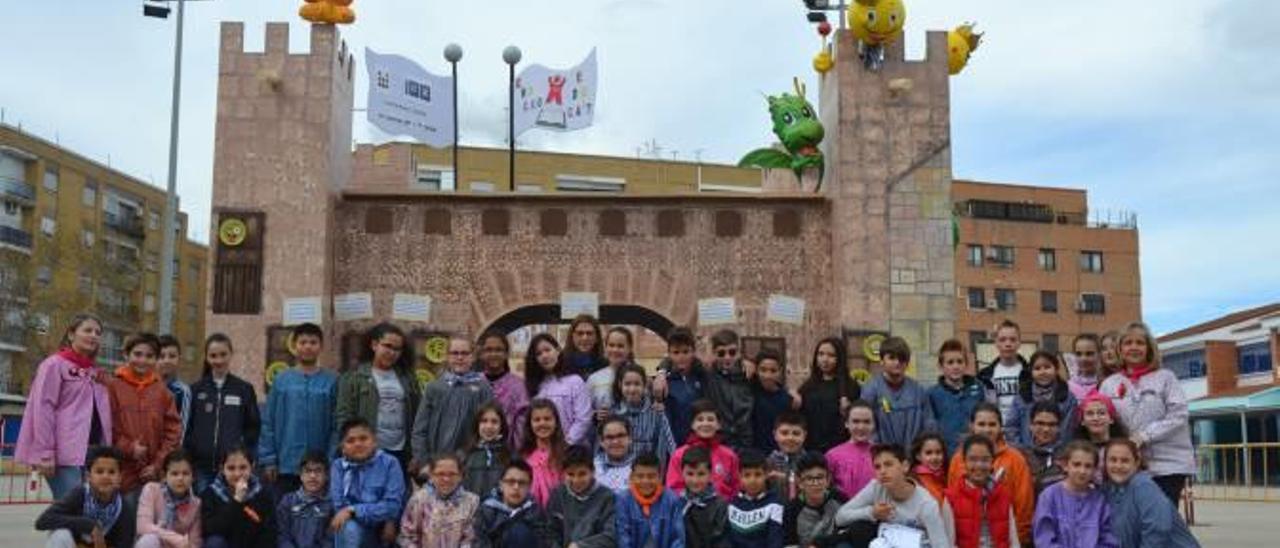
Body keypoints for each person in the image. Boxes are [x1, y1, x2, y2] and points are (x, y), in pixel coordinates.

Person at [16, 314, 113, 500]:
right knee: (72, 513)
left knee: (83, 514)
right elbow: (43, 409)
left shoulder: (96, 373)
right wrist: (45, 453)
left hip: (93, 453)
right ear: (71, 334)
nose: (94, 335)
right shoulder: (54, 364)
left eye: (98, 332)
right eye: (87, 330)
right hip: (63, 455)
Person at [1099, 321, 1195, 507]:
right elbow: (1104, 419)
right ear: (1119, 349)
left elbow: (1178, 414)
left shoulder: (1166, 378)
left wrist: (1144, 436)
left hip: (1168, 465)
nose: (1133, 347)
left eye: (1139, 343)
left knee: (1161, 520)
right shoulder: (1109, 384)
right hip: (1126, 466)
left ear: (1149, 348)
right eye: (1128, 343)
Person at [260, 322, 338, 495]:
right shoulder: (281, 380)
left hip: (319, 466)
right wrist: (269, 459)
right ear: (294, 346)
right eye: (303, 342)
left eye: (313, 342)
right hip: (286, 464)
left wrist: (331, 459)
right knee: (284, 513)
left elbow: (336, 425)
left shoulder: (332, 381)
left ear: (321, 346)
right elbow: (268, 422)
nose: (308, 347)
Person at [336, 322, 422, 475]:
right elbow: (344, 415)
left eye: (397, 349)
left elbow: (418, 416)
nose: (392, 352)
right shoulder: (354, 377)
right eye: (387, 346)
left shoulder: (407, 378)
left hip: (400, 450)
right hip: (367, 450)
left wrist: (416, 452)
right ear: (374, 345)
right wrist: (349, 446)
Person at [946, 402, 1035, 546]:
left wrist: (1016, 540)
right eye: (981, 424)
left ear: (1000, 427)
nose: (987, 429)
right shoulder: (958, 459)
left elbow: (1024, 506)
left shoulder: (1015, 459)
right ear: (972, 426)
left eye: (992, 424)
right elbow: (952, 505)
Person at [835, 444, 951, 548]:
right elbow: (840, 517)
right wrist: (872, 513)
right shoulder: (876, 487)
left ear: (905, 466)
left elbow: (941, 544)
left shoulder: (927, 504)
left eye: (888, 464)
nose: (883, 471)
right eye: (877, 467)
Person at [108, 332, 182, 495]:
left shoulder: (162, 391)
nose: (142, 360)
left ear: (156, 359)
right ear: (126, 354)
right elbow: (108, 426)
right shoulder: (113, 386)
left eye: (149, 356)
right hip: (121, 469)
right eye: (137, 354)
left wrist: (158, 464)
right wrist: (129, 448)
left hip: (151, 472)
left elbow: (173, 431)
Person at [186, 334, 261, 493]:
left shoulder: (244, 389)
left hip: (233, 469)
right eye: (213, 355)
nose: (218, 360)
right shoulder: (195, 390)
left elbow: (253, 427)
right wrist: (193, 452)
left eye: (223, 354)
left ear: (231, 354)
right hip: (202, 468)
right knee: (205, 511)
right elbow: (188, 427)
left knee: (232, 509)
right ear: (206, 357)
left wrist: (240, 450)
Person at [1100, 438, 1200, 548]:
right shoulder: (1107, 491)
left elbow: (1158, 529)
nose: (1118, 466)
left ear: (1136, 463)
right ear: (1105, 462)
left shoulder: (1142, 485)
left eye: (1125, 461)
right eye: (1113, 460)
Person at [413, 336, 494, 467]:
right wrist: (423, 461)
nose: (459, 357)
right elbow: (420, 429)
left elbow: (489, 427)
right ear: (447, 356)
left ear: (472, 357)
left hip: (470, 463)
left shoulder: (483, 388)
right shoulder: (434, 388)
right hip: (436, 462)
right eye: (455, 353)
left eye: (464, 353)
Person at [35, 446, 136, 548]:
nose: (106, 476)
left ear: (119, 478)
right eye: (99, 471)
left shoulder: (124, 507)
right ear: (88, 477)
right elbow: (42, 521)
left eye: (112, 472)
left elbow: (126, 543)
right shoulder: (79, 495)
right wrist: (88, 525)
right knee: (60, 535)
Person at [329, 418, 405, 548]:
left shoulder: (390, 463)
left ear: (374, 442)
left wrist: (353, 510)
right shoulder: (338, 466)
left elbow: (392, 506)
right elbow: (339, 506)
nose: (358, 444)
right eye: (350, 441)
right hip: (352, 529)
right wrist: (355, 512)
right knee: (348, 528)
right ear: (343, 447)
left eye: (363, 438)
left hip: (382, 531)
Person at [1033, 440, 1118, 548]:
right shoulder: (1049, 497)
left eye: (1088, 466)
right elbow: (1044, 539)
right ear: (1065, 466)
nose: (1082, 471)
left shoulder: (1099, 501)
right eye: (1076, 465)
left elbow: (1108, 539)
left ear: (1095, 469)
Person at [944, 435, 1020, 548]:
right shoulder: (951, 497)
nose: (979, 465)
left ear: (992, 461)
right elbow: (948, 542)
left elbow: (1013, 539)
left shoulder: (1003, 494)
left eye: (985, 460)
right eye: (973, 459)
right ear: (964, 461)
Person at [859, 336, 935, 449]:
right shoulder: (871, 390)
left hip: (913, 457)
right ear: (882, 361)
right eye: (892, 358)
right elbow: (866, 426)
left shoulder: (918, 391)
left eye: (902, 359)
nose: (897, 362)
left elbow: (928, 425)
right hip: (881, 457)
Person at [525, 333, 594, 447]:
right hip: (544, 450)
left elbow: (584, 418)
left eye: (547, 350)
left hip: (573, 450)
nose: (544, 356)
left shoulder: (574, 381)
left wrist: (566, 443)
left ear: (557, 350)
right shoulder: (535, 387)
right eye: (539, 354)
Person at [201, 444, 276, 548]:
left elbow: (269, 532)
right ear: (222, 469)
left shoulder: (262, 494)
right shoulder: (210, 494)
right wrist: (237, 501)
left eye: (243, 467)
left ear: (252, 467)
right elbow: (211, 529)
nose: (237, 474)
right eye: (231, 468)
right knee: (214, 542)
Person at [399, 453, 479, 547]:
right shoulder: (419, 500)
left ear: (460, 476)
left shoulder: (472, 502)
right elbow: (407, 536)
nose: (446, 479)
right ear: (431, 476)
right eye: (440, 474)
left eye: (452, 474)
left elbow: (471, 539)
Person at [667, 399, 740, 500]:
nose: (705, 424)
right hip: (689, 509)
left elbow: (736, 488)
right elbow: (673, 488)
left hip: (723, 511)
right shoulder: (679, 455)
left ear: (719, 425)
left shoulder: (729, 456)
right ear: (692, 424)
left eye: (710, 419)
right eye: (700, 419)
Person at [546, 445, 617, 548]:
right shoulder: (557, 494)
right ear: (563, 473)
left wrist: (581, 546)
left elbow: (611, 535)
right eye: (570, 474)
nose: (576, 480)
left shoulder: (607, 497)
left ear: (592, 472)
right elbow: (549, 531)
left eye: (582, 474)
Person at [927, 338, 989, 454]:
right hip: (946, 453)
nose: (956, 366)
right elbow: (931, 427)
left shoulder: (978, 388)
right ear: (941, 366)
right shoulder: (933, 394)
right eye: (950, 362)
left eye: (960, 362)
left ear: (966, 364)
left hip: (974, 451)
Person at [473, 460, 554, 548]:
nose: (516, 487)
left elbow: (545, 543)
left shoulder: (536, 512)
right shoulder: (486, 510)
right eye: (511, 482)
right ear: (501, 484)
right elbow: (479, 541)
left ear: (529, 486)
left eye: (522, 483)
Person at [799, 337, 859, 453]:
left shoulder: (850, 387)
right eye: (821, 354)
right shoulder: (808, 386)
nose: (824, 359)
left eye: (831, 355)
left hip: (839, 449)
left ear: (840, 358)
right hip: (811, 449)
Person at [1006, 350, 1077, 447]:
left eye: (1047, 367)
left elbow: (1067, 431)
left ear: (1056, 369)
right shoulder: (1022, 397)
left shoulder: (1068, 398)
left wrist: (1054, 451)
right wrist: (1022, 450)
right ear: (1031, 372)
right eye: (1037, 368)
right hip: (1026, 453)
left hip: (1058, 454)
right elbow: (1011, 427)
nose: (1043, 372)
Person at [612, 363, 677, 468]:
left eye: (637, 384)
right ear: (620, 385)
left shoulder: (656, 412)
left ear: (644, 385)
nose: (632, 389)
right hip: (620, 472)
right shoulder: (614, 413)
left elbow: (669, 442)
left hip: (649, 473)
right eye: (627, 384)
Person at [616, 453, 685, 548]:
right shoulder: (623, 500)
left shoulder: (671, 499)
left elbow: (678, 539)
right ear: (632, 477)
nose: (645, 481)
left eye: (651, 476)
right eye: (640, 476)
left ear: (660, 477)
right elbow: (623, 538)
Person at [135, 450, 202, 548]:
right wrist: (176, 538)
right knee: (149, 540)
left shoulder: (196, 504)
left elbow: (195, 542)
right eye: (174, 474)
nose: (180, 478)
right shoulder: (151, 490)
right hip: (155, 545)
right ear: (164, 476)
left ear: (193, 477)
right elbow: (143, 527)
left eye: (186, 473)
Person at [703, 329, 756, 451]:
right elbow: (677, 360)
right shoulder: (709, 375)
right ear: (714, 354)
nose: (727, 357)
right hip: (720, 441)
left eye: (732, 352)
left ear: (739, 352)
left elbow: (771, 380)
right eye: (721, 353)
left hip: (746, 441)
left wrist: (790, 392)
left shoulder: (749, 374)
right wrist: (661, 372)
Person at [977, 320, 1031, 438]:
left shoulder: (1030, 373)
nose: (1008, 344)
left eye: (1012, 339)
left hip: (1023, 433)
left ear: (1019, 343)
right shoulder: (984, 376)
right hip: (994, 433)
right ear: (996, 343)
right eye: (1003, 340)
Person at [477, 331, 530, 447]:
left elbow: (522, 423)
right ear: (481, 354)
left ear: (506, 354)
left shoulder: (518, 386)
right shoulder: (474, 383)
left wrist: (515, 453)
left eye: (498, 350)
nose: (494, 354)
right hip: (475, 450)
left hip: (506, 452)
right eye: (489, 350)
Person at [654, 326, 707, 444]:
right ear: (669, 354)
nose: (681, 357)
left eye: (686, 351)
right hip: (673, 446)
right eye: (676, 352)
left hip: (701, 444)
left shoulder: (703, 377)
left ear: (693, 351)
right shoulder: (663, 382)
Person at [783, 452, 846, 548]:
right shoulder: (791, 509)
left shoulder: (839, 498)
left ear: (828, 479)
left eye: (820, 477)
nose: (815, 483)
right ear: (800, 482)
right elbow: (789, 544)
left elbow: (848, 531)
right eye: (809, 478)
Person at [725, 450, 784, 548]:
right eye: (747, 475)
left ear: (766, 475)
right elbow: (727, 539)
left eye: (758, 474)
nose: (752, 480)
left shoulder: (775, 504)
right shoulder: (732, 504)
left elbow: (775, 539)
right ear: (739, 476)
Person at [276, 450, 334, 548]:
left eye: (318, 471)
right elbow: (281, 534)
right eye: (308, 471)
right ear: (301, 475)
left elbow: (330, 539)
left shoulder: (331, 504)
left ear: (327, 475)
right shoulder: (288, 501)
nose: (313, 476)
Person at [520, 398, 569, 506]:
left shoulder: (566, 453)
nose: (542, 423)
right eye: (537, 420)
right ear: (530, 424)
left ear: (556, 422)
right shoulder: (523, 456)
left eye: (547, 419)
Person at [825, 399, 876, 499]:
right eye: (855, 421)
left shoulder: (882, 454)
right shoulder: (832, 456)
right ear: (846, 423)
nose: (861, 427)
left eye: (867, 422)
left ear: (874, 425)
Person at [679, 447, 727, 548]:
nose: (695, 480)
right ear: (682, 473)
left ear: (710, 474)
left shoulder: (720, 505)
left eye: (701, 474)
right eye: (690, 474)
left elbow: (722, 541)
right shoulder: (677, 503)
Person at [462, 402, 512, 500]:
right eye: (484, 421)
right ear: (477, 424)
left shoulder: (510, 456)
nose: (489, 426)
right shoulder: (464, 455)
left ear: (501, 425)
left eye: (494, 422)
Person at [588, 326, 636, 423]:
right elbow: (584, 411)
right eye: (611, 345)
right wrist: (594, 415)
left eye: (620, 346)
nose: (615, 350)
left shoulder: (640, 376)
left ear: (630, 348)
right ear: (605, 347)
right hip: (604, 436)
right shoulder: (594, 379)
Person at [1019, 402, 1067, 496]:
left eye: (1052, 424)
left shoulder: (1068, 456)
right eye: (1040, 423)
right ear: (1031, 426)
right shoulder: (1020, 456)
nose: (1046, 429)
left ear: (1059, 427)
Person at [750, 349, 794, 453]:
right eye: (763, 370)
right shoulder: (749, 392)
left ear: (780, 371)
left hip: (779, 454)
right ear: (756, 370)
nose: (768, 375)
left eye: (773, 371)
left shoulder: (787, 399)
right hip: (754, 454)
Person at [156, 335, 192, 442]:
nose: (166, 360)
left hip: (170, 452)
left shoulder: (182, 391)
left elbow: (182, 427)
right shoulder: (148, 387)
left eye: (172, 356)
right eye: (161, 356)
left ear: (179, 359)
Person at [766, 411, 808, 501]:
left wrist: (786, 478)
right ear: (775, 435)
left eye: (796, 433)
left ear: (804, 435)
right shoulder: (768, 463)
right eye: (784, 433)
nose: (790, 438)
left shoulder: (810, 462)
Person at [595, 416, 636, 492]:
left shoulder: (642, 469)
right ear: (601, 442)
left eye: (620, 435)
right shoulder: (591, 470)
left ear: (630, 438)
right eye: (609, 437)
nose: (615, 441)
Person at [564, 314, 608, 378]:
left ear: (597, 337)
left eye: (589, 333)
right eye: (580, 333)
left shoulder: (605, 366)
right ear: (572, 336)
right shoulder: (561, 364)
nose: (585, 338)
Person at [910, 432, 948, 505]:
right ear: (918, 456)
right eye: (928, 453)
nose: (934, 457)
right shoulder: (914, 481)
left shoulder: (946, 476)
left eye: (938, 452)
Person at [1067, 334, 1103, 400]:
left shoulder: (1107, 385)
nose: (1083, 359)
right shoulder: (1067, 387)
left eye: (1089, 354)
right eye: (1078, 354)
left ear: (1099, 355)